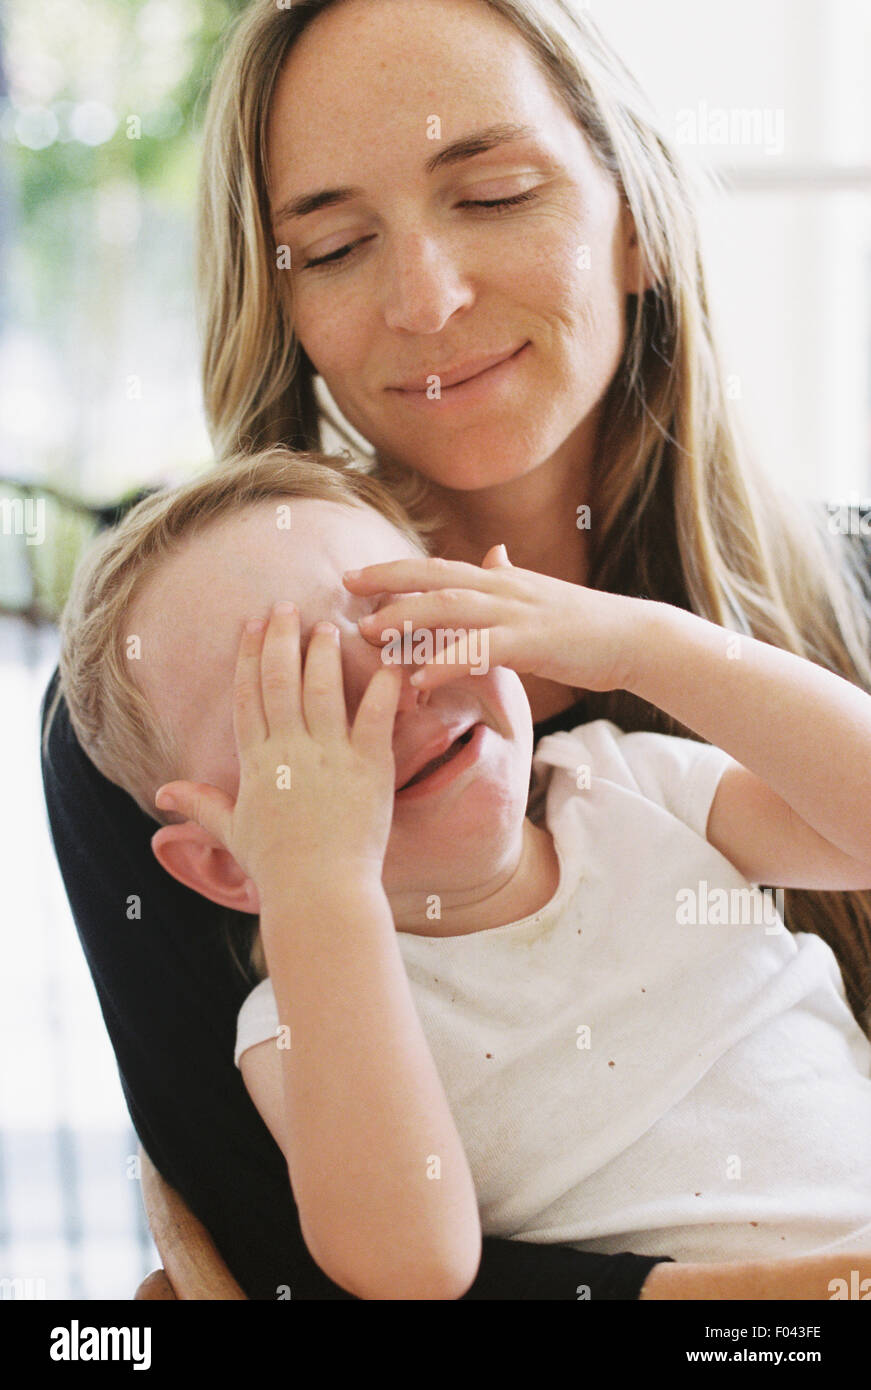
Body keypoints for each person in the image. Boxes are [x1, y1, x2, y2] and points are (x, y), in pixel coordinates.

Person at [40, 0, 871, 1298]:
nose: (424, 299)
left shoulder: (626, 778)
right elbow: (308, 1266)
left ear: (635, 219)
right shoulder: (155, 702)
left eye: (491, 192)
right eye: (331, 243)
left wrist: (645, 648)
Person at [55, 446, 871, 1301]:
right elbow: (410, 1272)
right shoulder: (302, 1023)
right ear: (227, 864)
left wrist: (643, 645)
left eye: (408, 626)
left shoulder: (624, 782)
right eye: (311, 705)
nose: (398, 692)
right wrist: (319, 890)